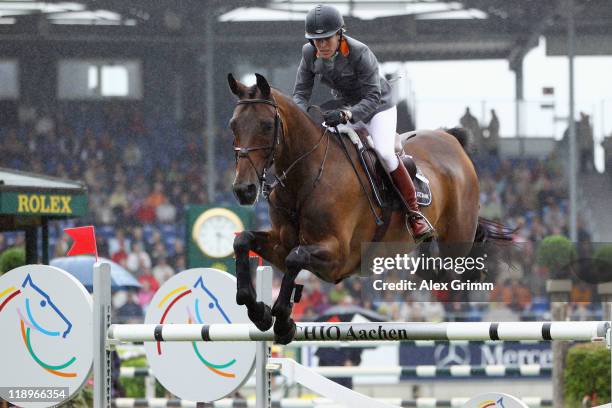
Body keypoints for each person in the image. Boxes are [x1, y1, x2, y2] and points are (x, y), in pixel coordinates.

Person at [292, 4, 432, 241]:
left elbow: (372, 97)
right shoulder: (309, 53)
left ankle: (415, 215)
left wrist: (347, 115)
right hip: (345, 107)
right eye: (316, 41)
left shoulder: (360, 52)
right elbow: (300, 94)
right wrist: (300, 116)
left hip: (378, 108)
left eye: (326, 39)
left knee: (385, 153)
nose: (322, 45)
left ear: (339, 34)